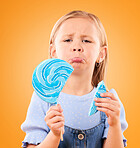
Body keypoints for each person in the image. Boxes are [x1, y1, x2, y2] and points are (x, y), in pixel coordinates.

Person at [21, 10, 128, 148]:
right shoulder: (43, 99)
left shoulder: (108, 100)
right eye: (67, 40)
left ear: (101, 54)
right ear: (54, 52)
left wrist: (114, 124)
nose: (77, 47)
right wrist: (54, 134)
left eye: (86, 40)